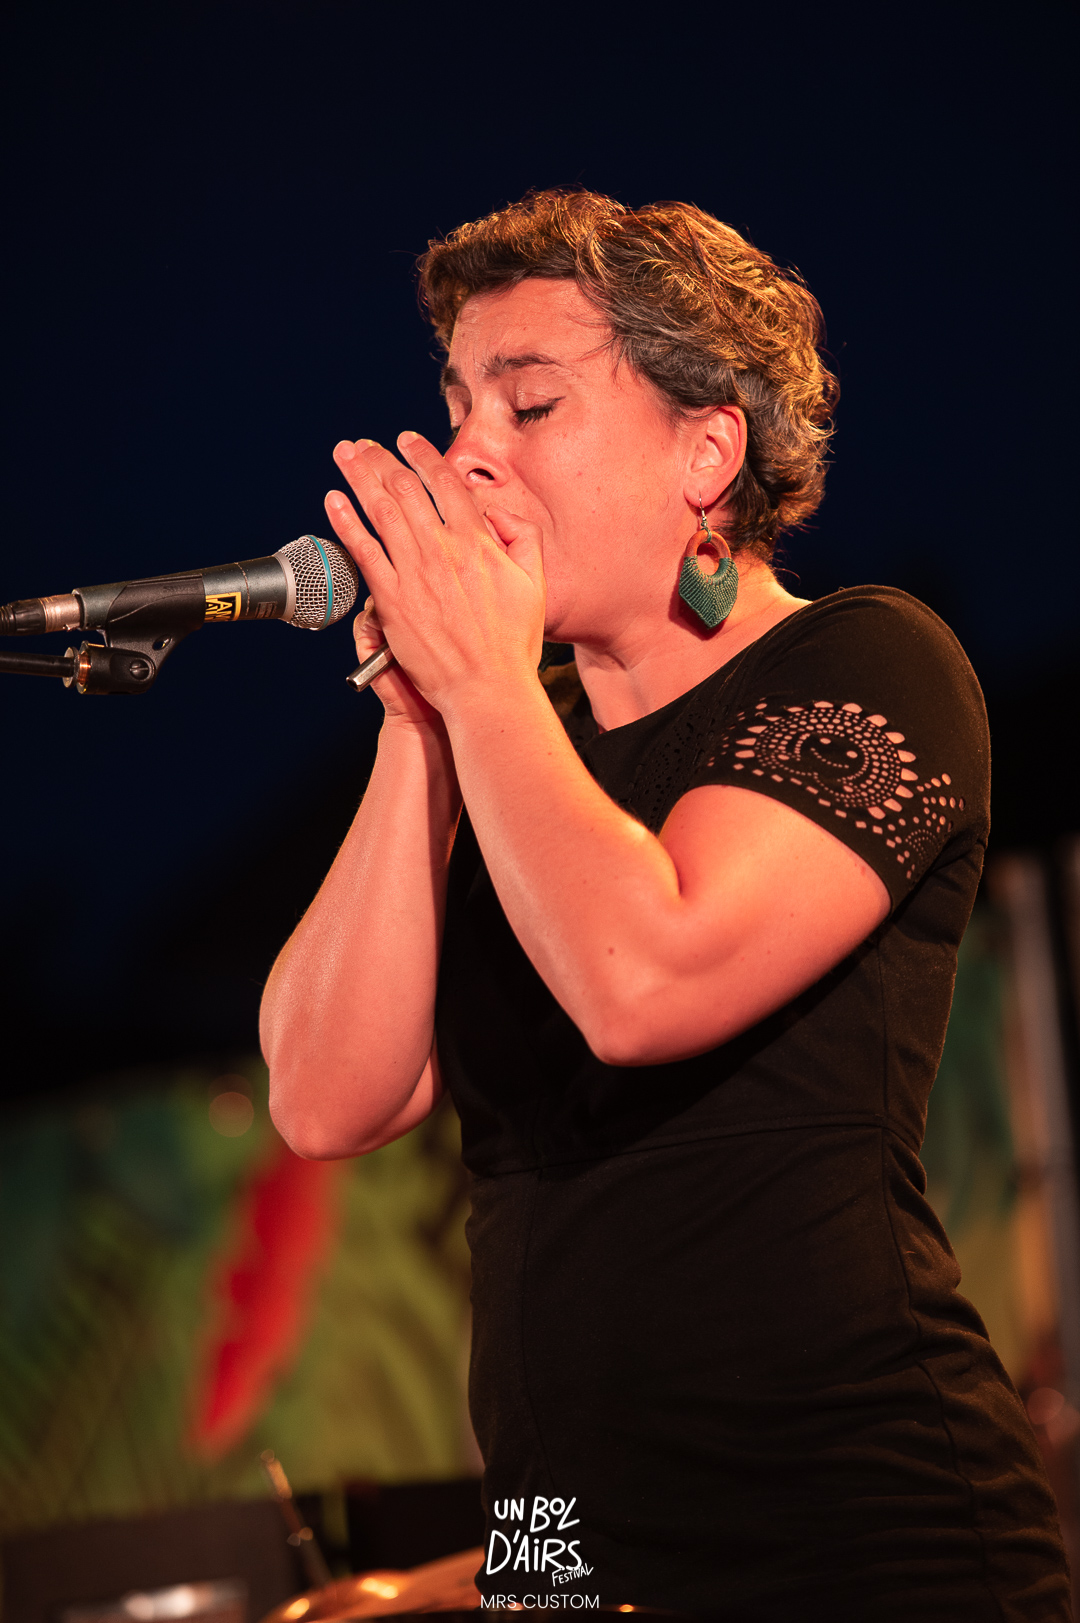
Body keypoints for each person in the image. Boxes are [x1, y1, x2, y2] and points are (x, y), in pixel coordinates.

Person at [259, 191, 1070, 1620]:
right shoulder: (506, 748)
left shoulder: (871, 661)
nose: (470, 455)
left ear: (707, 450)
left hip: (866, 1545)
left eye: (531, 405)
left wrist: (484, 689)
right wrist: (416, 720)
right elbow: (325, 1099)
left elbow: (645, 979)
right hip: (569, 1550)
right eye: (458, 409)